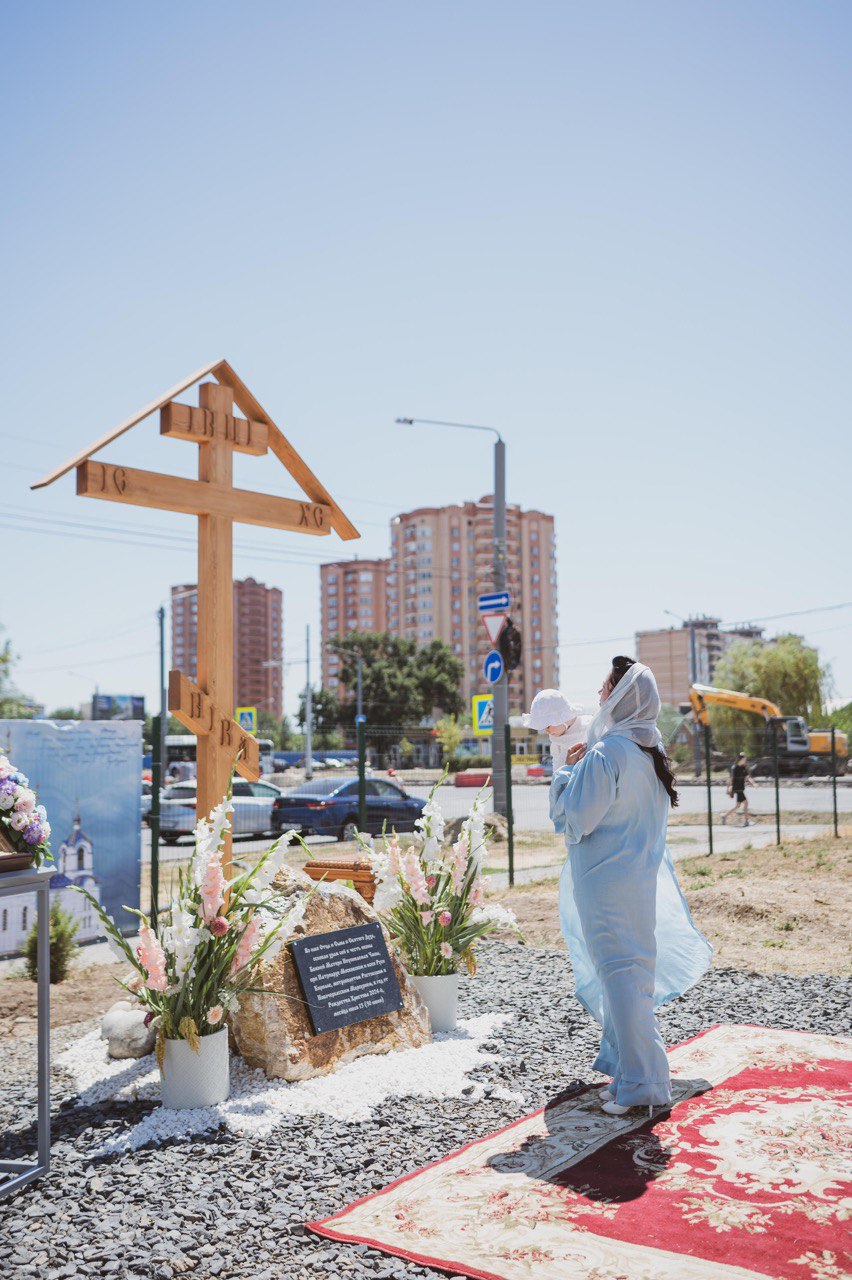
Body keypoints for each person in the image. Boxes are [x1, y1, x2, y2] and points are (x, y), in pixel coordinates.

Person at [550, 657, 711, 1117]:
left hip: (605, 884)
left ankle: (643, 1083)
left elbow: (576, 819)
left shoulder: (608, 752)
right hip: (635, 882)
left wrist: (564, 773)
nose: (599, 696)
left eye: (605, 688)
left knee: (620, 978)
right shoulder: (647, 754)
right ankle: (630, 1075)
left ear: (620, 697)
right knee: (630, 977)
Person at [525, 688, 592, 771]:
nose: (546, 730)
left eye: (548, 725)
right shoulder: (555, 744)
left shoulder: (590, 730)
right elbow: (556, 774)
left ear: (560, 718)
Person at [722, 752, 752, 826]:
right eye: (744, 759)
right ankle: (746, 821)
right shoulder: (734, 768)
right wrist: (728, 789)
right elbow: (731, 779)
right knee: (746, 803)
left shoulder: (743, 767)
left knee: (738, 806)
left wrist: (752, 783)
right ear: (740, 759)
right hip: (737, 789)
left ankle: (724, 816)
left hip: (741, 788)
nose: (745, 761)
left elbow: (747, 777)